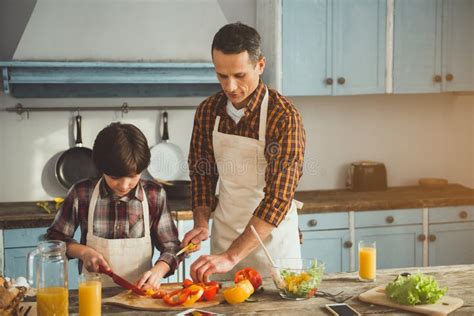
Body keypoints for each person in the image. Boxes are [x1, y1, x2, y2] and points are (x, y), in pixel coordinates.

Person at [183, 22, 306, 281]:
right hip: (224, 240)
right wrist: (202, 222)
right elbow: (202, 175)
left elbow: (278, 199)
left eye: (239, 76)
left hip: (273, 248)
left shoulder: (283, 117)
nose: (230, 87)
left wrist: (231, 257)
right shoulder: (208, 111)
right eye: (221, 75)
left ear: (260, 65)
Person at [46, 122, 181, 289]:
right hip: (94, 295)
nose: (124, 185)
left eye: (133, 176)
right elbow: (55, 239)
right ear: (101, 168)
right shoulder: (81, 193)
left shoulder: (154, 195)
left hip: (140, 296)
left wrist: (159, 271)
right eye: (115, 177)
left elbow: (172, 247)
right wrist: (84, 252)